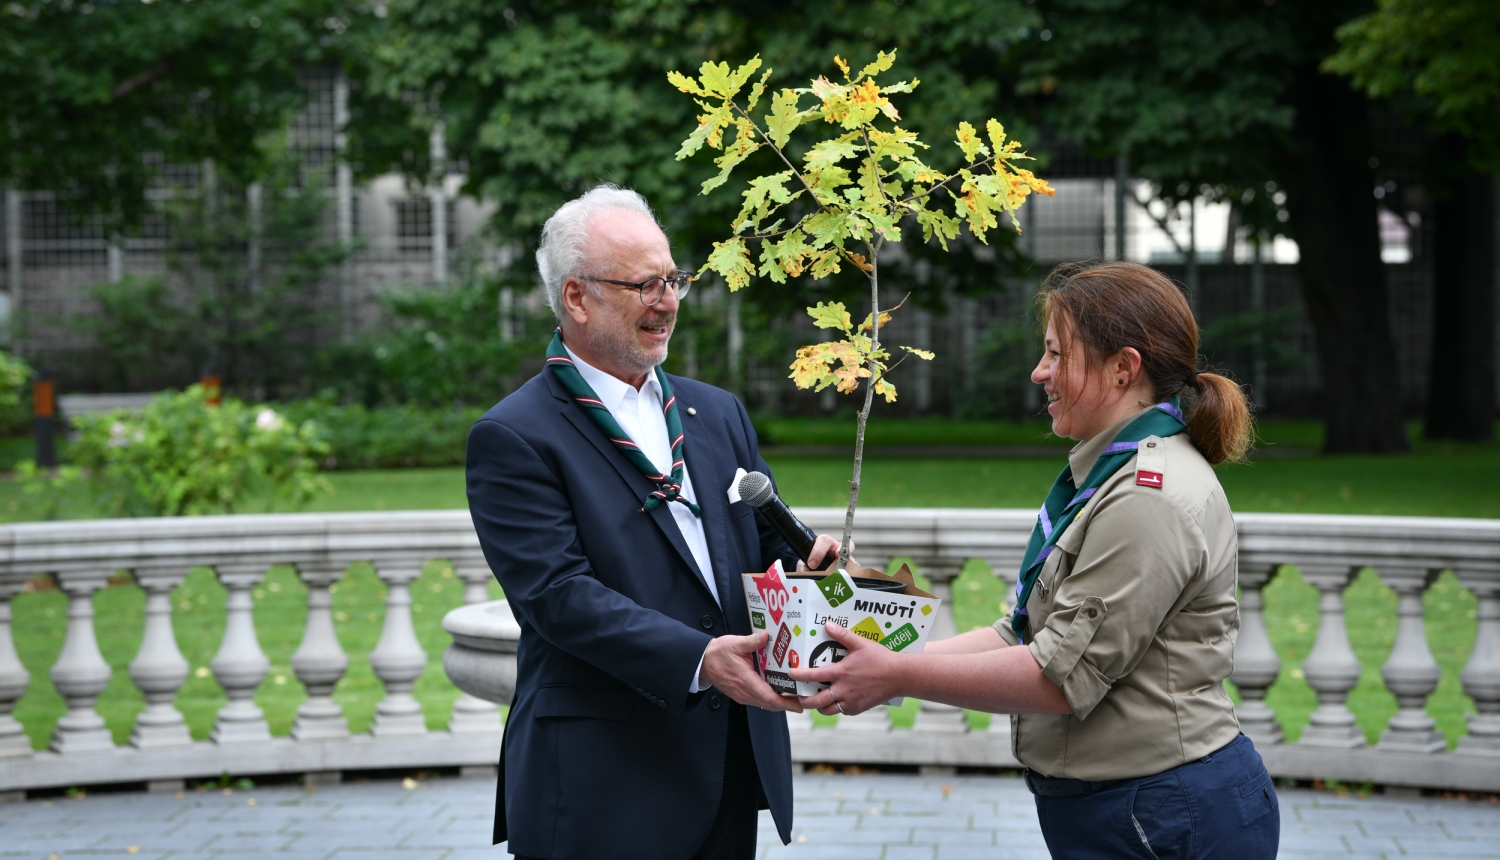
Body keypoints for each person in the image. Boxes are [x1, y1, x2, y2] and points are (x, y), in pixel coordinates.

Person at [791, 262, 1280, 859]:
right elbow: (1021, 633)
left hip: (1161, 814)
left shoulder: (1146, 497)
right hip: (1132, 806)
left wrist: (896, 674)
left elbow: (1056, 676)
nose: (1038, 371)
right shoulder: (1111, 475)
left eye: (1056, 354)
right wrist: (881, 656)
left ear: (1123, 368)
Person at [465, 185, 835, 860]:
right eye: (644, 284)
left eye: (673, 279)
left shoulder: (718, 411)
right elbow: (557, 597)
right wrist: (698, 658)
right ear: (577, 297)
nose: (667, 301)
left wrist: (804, 563)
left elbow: (750, 545)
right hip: (601, 783)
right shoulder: (513, 436)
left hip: (727, 765)